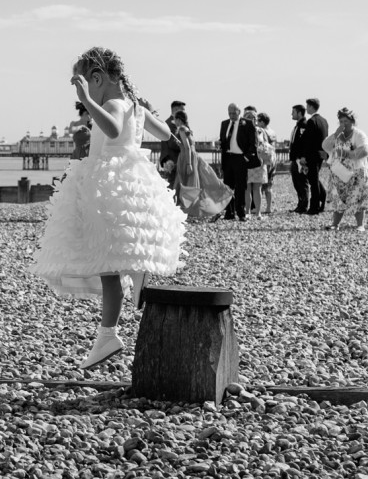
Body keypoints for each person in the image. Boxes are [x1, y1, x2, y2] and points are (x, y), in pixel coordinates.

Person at [31, 46, 185, 370]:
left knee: (106, 263)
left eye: (88, 82)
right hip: (131, 179)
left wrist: (87, 100)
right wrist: (142, 109)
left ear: (97, 78)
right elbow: (166, 133)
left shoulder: (113, 102)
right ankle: (113, 322)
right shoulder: (134, 105)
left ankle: (108, 333)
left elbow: (113, 129)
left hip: (108, 181)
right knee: (113, 259)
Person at [171, 109, 232, 220]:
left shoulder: (182, 129)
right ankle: (202, 211)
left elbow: (188, 148)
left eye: (174, 119)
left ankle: (188, 212)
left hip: (187, 158)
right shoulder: (188, 129)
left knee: (187, 184)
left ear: (179, 120)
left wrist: (189, 163)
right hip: (194, 157)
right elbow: (189, 145)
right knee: (199, 183)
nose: (173, 121)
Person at [320, 108, 368, 232]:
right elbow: (325, 146)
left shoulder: (359, 134)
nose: (343, 124)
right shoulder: (338, 135)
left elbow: (364, 151)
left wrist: (346, 153)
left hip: (357, 172)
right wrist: (336, 134)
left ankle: (360, 225)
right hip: (339, 172)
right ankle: (335, 224)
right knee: (338, 197)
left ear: (352, 121)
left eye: (346, 121)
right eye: (341, 121)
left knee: (358, 197)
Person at [218, 103, 260, 222]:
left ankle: (241, 213)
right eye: (229, 113)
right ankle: (229, 212)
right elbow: (223, 140)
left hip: (241, 158)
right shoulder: (224, 123)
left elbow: (254, 143)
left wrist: (246, 158)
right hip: (228, 158)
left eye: (234, 113)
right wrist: (219, 144)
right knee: (227, 186)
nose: (231, 116)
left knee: (240, 187)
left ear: (239, 112)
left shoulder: (247, 123)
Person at [304, 98, 330, 214]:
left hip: (312, 154)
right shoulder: (324, 121)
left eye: (307, 106)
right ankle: (322, 198)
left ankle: (314, 207)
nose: (306, 108)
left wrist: (304, 156)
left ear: (311, 106)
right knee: (315, 179)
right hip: (321, 154)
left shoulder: (311, 121)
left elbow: (308, 141)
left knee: (313, 181)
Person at [243, 105, 267, 218]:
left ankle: (255, 212)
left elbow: (266, 146)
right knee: (249, 188)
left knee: (255, 188)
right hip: (252, 161)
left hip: (257, 161)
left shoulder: (260, 131)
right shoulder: (260, 131)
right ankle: (251, 211)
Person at [287, 105, 311, 213]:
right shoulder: (297, 126)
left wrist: (303, 157)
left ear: (299, 113)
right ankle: (300, 204)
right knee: (297, 182)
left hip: (300, 160)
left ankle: (304, 205)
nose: (292, 114)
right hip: (295, 159)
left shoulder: (304, 126)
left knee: (302, 182)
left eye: (293, 112)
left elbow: (305, 143)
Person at [158, 100, 186, 190]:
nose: (184, 113)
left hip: (170, 160)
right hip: (174, 160)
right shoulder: (172, 124)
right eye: (183, 110)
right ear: (176, 110)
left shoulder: (167, 122)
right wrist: (186, 144)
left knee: (174, 185)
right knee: (174, 186)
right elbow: (172, 143)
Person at [255, 111, 277, 215]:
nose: (256, 122)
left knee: (261, 184)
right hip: (272, 160)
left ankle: (258, 207)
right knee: (269, 185)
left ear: (262, 122)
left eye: (258, 120)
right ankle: (268, 207)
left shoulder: (261, 131)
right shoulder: (272, 132)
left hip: (264, 160)